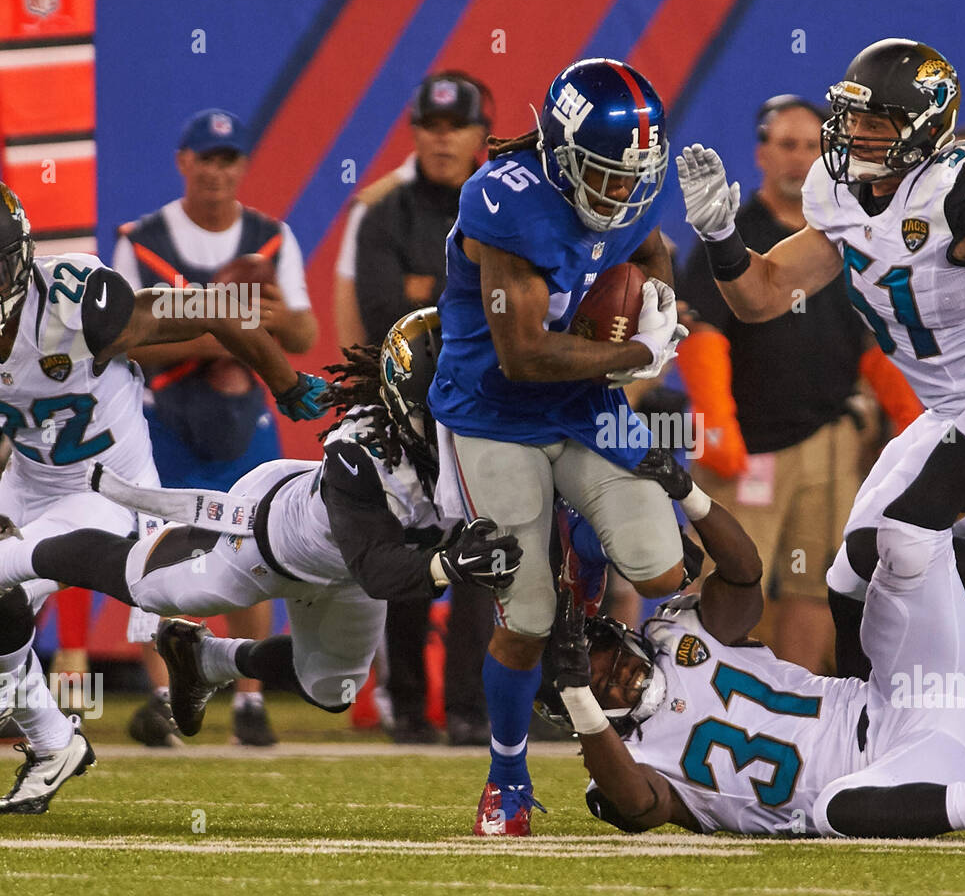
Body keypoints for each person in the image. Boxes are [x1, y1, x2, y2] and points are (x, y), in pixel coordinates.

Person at [539, 245, 965, 838]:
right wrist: (582, 701)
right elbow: (640, 807)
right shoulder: (621, 766)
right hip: (915, 772)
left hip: (902, 691)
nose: (613, 680)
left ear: (619, 637)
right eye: (594, 687)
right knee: (833, 811)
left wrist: (688, 493)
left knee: (881, 547)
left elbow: (743, 574)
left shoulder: (675, 634)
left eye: (604, 664)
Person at [676, 38, 965, 737]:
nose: (856, 133)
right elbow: (762, 296)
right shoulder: (835, 192)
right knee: (844, 579)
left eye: (878, 121)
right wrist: (719, 238)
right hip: (945, 414)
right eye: (852, 116)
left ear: (926, 127)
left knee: (905, 538)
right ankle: (863, 734)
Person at [0, 309, 520, 779]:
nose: (466, 414)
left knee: (333, 689)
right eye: (450, 401)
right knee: (145, 585)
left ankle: (206, 661)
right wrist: (451, 563)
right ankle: (15, 557)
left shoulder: (484, 445)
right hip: (266, 543)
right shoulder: (359, 452)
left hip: (348, 569)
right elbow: (380, 572)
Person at [0, 182, 326, 814]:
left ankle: (56, 736)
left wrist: (285, 384)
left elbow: (209, 307)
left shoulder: (74, 305)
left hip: (103, 488)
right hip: (27, 480)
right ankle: (52, 737)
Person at [428, 57, 688, 836]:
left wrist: (662, 311)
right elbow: (524, 354)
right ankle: (506, 776)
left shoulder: (624, 196)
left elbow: (651, 253)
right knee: (530, 613)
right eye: (608, 173)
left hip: (583, 405)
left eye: (636, 174)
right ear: (565, 154)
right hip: (494, 414)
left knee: (663, 567)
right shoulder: (506, 202)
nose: (624, 191)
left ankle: (586, 571)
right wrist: (640, 354)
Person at [678, 94, 913, 676]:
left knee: (818, 587)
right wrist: (715, 424)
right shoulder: (733, 232)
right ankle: (718, 707)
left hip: (826, 442)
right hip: (749, 447)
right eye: (787, 145)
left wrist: (910, 419)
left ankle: (800, 705)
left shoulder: (836, 234)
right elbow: (701, 329)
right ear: (761, 151)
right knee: (732, 581)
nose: (800, 159)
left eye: (813, 146)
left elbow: (869, 341)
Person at [114, 108, 319, 748]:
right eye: (206, 157)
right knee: (161, 550)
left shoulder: (271, 237)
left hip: (240, 417)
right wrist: (221, 335)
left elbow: (303, 332)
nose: (216, 171)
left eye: (228, 159)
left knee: (254, 549)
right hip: (167, 417)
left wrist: (245, 325)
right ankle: (163, 697)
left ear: (242, 167)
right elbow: (123, 342)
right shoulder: (140, 239)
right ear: (184, 162)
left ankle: (250, 700)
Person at [351, 71, 495, 745]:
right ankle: (408, 705)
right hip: (408, 410)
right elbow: (386, 318)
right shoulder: (387, 215)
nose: (443, 138)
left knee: (483, 556)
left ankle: (470, 707)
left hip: (487, 407)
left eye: (456, 125)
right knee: (410, 550)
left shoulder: (499, 207)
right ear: (416, 133)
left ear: (478, 136)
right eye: (431, 126)